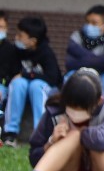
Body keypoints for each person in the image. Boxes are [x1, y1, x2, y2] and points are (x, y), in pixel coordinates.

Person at [14, 69, 104, 171]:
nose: (75, 112)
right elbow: (34, 157)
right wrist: (51, 142)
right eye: (71, 105)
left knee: (98, 142)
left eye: (81, 108)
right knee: (74, 136)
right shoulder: (56, 109)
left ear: (98, 101)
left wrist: (80, 132)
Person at [3, 16, 62, 147]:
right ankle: (10, 132)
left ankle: (40, 133)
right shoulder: (16, 51)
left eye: (20, 35)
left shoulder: (46, 53)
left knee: (36, 86)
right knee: (18, 83)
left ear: (33, 41)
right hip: (24, 88)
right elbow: (12, 75)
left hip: (45, 89)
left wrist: (28, 75)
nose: (16, 37)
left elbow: (52, 77)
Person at [64, 7, 104, 99]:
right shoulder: (77, 36)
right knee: (70, 75)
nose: (89, 26)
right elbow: (69, 63)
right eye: (87, 22)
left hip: (102, 75)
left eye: (94, 23)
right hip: (79, 74)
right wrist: (100, 60)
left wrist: (83, 60)